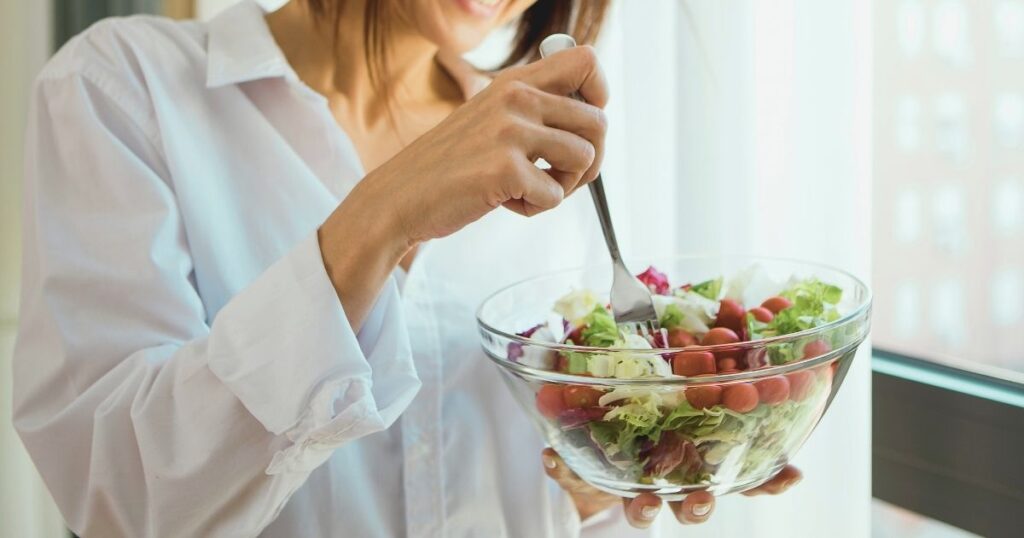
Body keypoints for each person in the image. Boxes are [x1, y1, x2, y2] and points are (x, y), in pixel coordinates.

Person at [13, 0, 800, 536]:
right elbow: (117, 496)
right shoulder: (123, 87)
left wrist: (605, 482)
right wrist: (379, 217)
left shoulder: (540, 149)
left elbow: (530, 487)